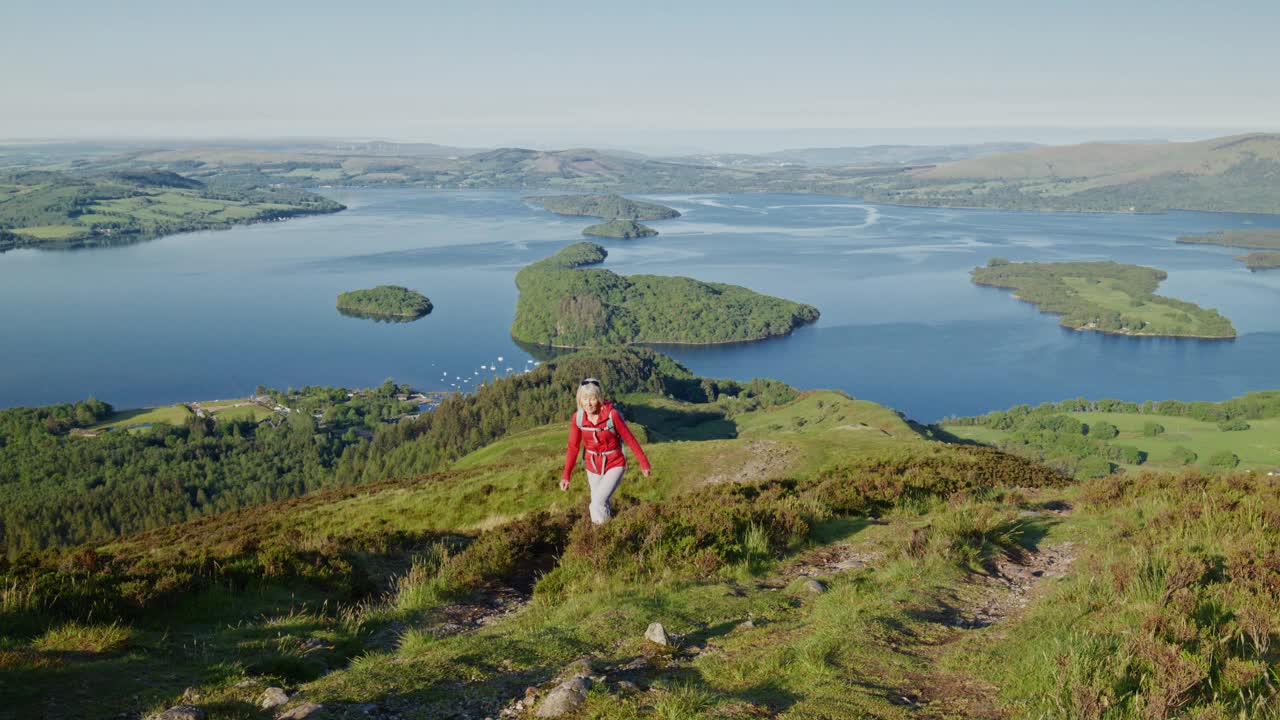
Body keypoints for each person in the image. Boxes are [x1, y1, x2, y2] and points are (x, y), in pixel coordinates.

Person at [561, 377, 651, 524]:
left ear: (599, 398)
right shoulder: (577, 418)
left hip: (615, 463)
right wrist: (566, 475)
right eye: (585, 399)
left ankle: (601, 536)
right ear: (579, 399)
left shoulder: (612, 415)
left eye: (593, 399)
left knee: (596, 503)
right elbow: (573, 447)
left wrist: (644, 463)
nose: (588, 404)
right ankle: (610, 535)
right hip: (592, 465)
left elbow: (630, 439)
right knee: (601, 504)